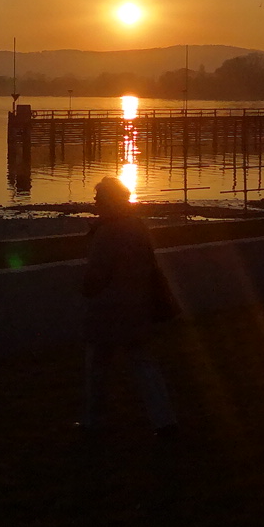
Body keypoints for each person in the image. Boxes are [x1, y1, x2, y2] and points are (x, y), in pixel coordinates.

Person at [78, 176, 179, 436]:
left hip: (108, 311)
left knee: (97, 368)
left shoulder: (106, 233)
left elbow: (96, 277)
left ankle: (93, 422)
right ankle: (164, 421)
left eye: (99, 198)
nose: (95, 202)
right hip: (136, 305)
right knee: (144, 364)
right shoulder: (137, 227)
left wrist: (85, 287)